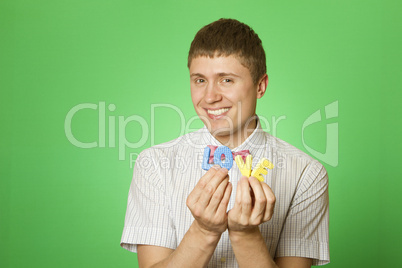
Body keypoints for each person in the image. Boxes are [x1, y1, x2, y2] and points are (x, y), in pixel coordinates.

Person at [120, 18, 329, 267]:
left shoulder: (306, 174)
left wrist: (245, 235)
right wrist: (203, 231)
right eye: (200, 80)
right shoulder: (153, 164)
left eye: (226, 80)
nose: (210, 96)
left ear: (260, 86)